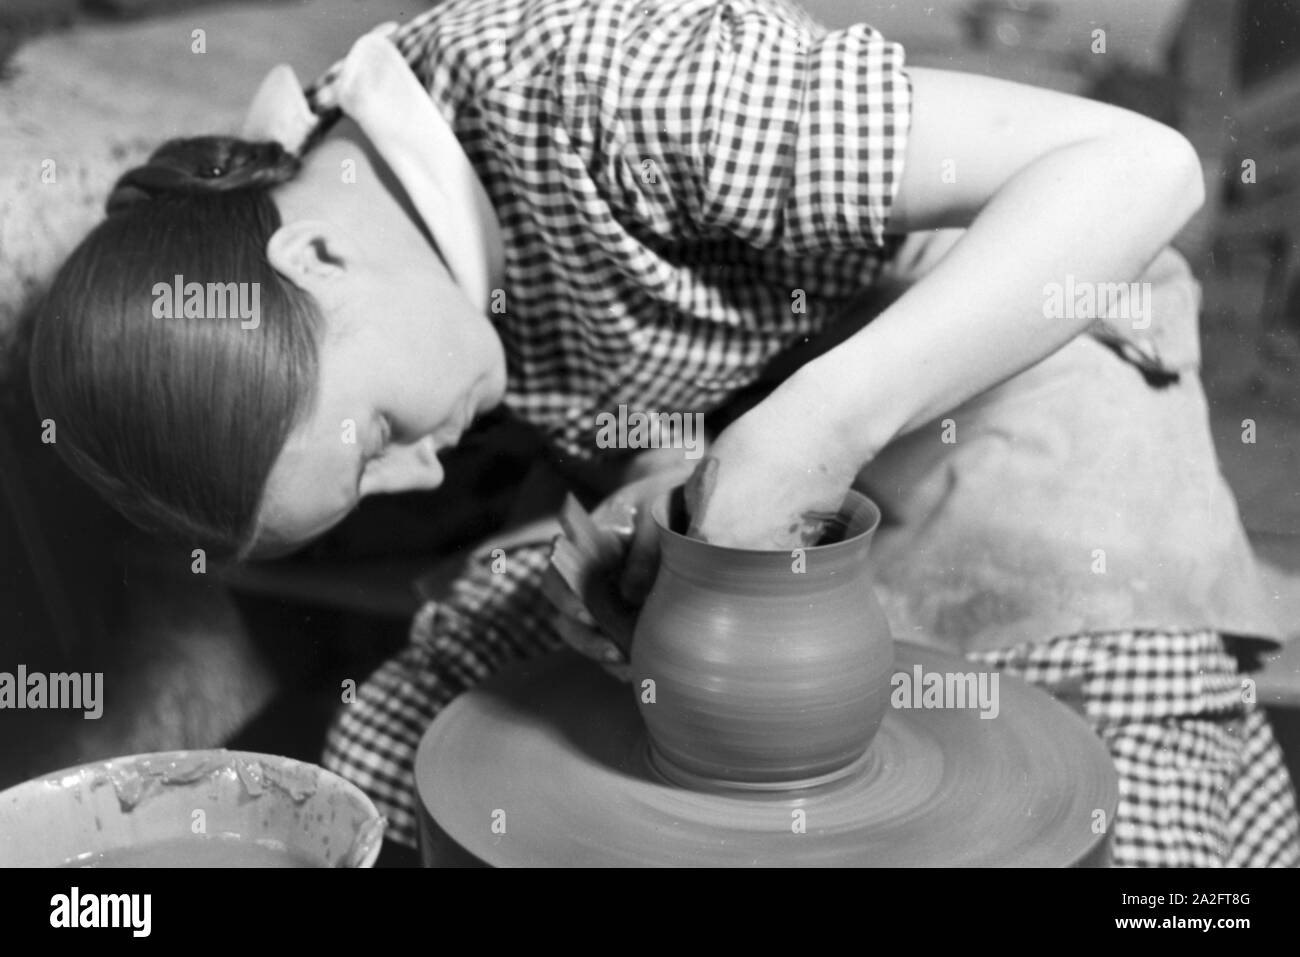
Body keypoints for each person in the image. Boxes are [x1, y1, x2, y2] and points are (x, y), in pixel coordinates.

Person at [28, 0, 1299, 865]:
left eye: (373, 438)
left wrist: (817, 428)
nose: (422, 469)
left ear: (315, 254)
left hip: (1017, 339)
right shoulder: (385, 248)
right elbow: (680, 367)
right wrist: (671, 479)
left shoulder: (610, 86)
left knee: (1114, 798)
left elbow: (1139, 166)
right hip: (793, 428)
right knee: (434, 708)